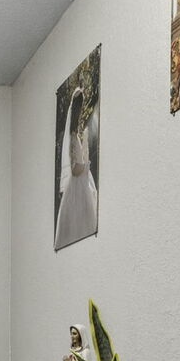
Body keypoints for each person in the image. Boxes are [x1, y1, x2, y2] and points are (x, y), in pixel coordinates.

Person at [54, 91, 98, 247]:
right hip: (77, 186)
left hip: (81, 183)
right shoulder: (72, 137)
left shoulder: (75, 135)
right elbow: (74, 169)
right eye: (79, 108)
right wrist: (85, 166)